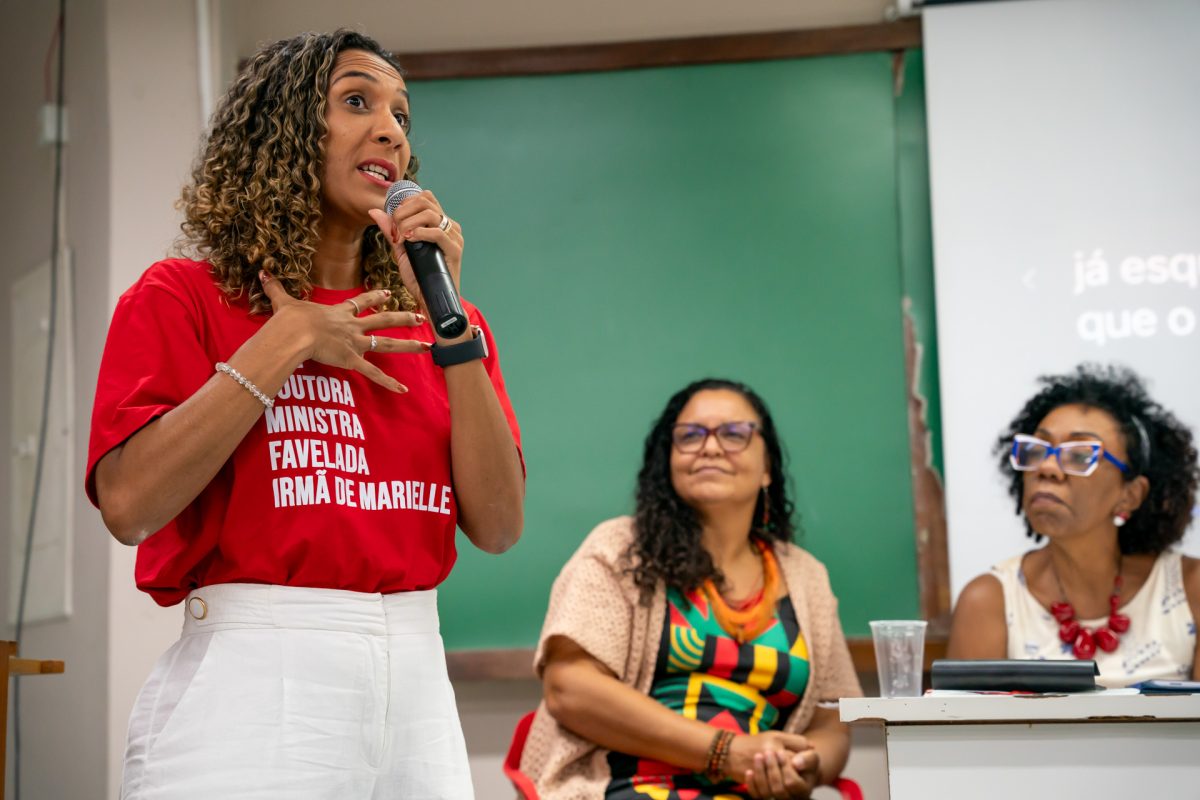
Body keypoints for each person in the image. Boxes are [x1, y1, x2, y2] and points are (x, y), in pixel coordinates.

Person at [85, 30, 524, 799]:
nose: (391, 129)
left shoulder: (445, 325)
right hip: (256, 674)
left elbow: (498, 526)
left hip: (419, 676)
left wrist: (453, 332)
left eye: (401, 114)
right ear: (281, 133)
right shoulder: (181, 297)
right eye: (357, 101)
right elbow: (129, 506)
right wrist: (285, 341)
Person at [520, 379, 861, 799]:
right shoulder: (619, 550)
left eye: (735, 434)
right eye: (690, 436)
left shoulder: (806, 576)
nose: (711, 448)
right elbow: (569, 687)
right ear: (668, 461)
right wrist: (723, 752)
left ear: (768, 467)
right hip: (630, 787)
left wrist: (801, 768)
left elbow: (832, 724)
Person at [948, 364, 1199, 686]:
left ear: (1130, 495)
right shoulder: (989, 600)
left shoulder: (1190, 589)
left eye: (1080, 455)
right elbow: (964, 733)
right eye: (1036, 450)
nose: (1048, 468)